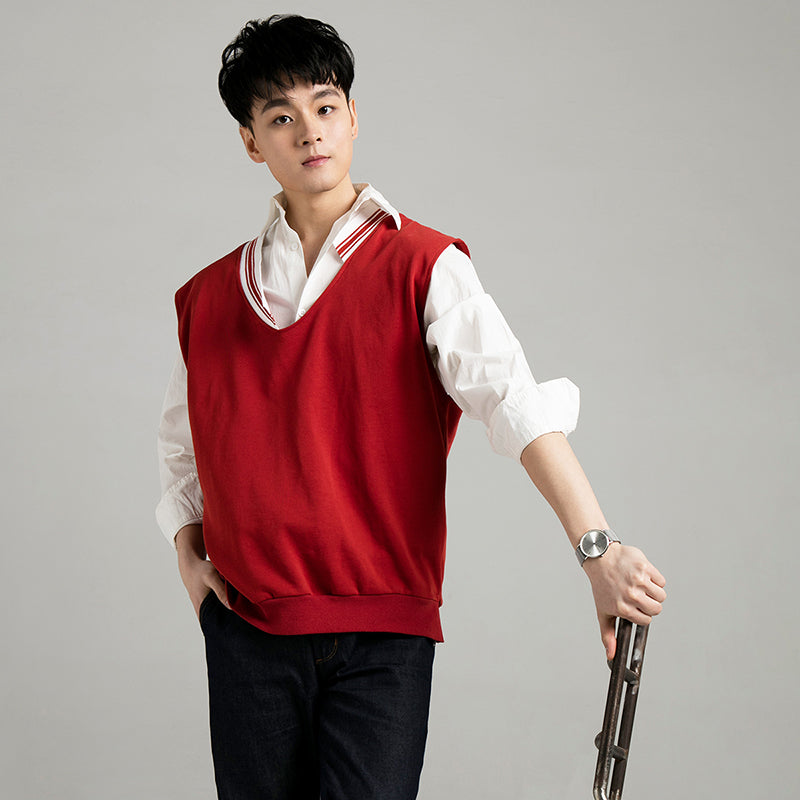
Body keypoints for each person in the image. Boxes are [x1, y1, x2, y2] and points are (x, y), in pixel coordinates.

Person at [156, 13, 666, 800]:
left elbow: (513, 401)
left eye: (325, 107)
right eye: (280, 117)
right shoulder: (209, 297)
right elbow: (183, 447)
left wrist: (597, 550)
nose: (310, 131)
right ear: (252, 142)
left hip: (382, 636)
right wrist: (189, 558)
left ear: (353, 117)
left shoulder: (425, 265)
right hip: (250, 633)